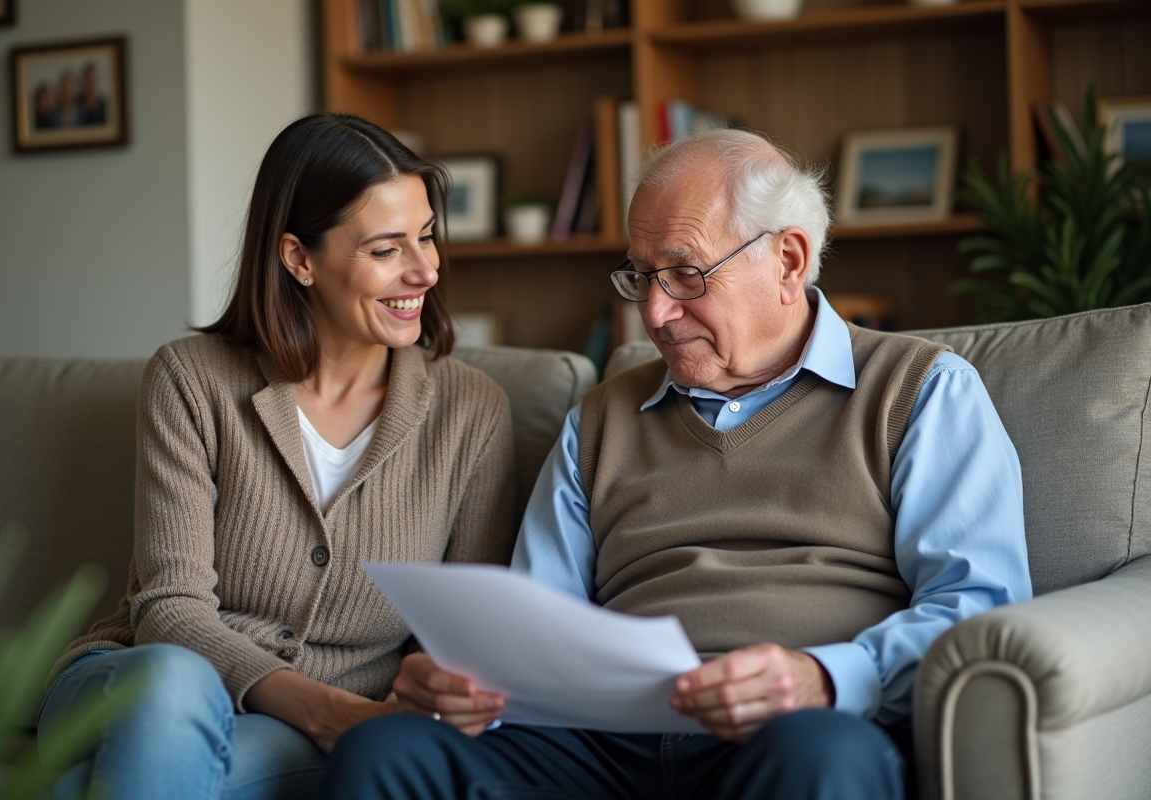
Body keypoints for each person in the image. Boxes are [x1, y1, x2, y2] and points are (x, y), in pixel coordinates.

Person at [317, 129, 1033, 800]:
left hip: (788, 731)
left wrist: (823, 676)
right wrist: (467, 683)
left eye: (686, 275)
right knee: (386, 752)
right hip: (601, 743)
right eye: (641, 276)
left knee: (823, 756)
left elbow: (979, 605)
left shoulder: (920, 390)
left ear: (787, 260)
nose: (655, 313)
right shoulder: (599, 420)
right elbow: (540, 618)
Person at [37, 114, 516, 800]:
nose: (426, 269)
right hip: (139, 681)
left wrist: (400, 708)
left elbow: (462, 630)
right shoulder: (190, 379)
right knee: (175, 683)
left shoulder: (473, 413)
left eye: (428, 236)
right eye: (387, 249)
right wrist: (331, 712)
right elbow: (169, 611)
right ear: (299, 258)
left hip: (320, 725)